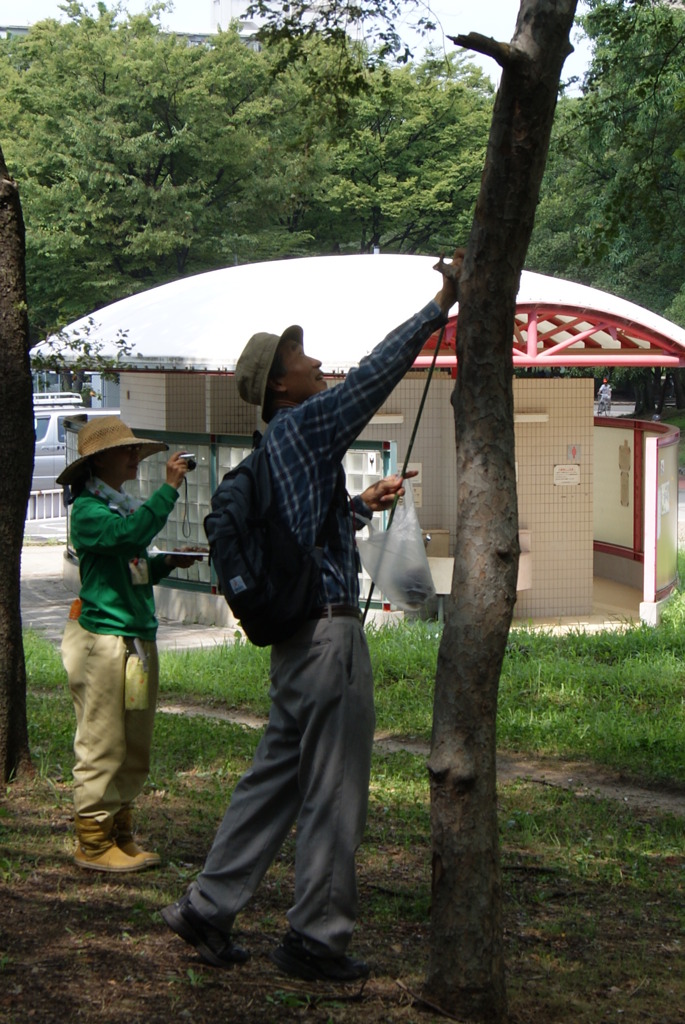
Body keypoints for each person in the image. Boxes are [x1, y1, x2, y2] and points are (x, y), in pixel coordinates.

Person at [162, 250, 463, 981]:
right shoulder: (304, 429)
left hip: (295, 644)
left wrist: (363, 506)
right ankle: (316, 939)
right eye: (302, 357)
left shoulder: (278, 451)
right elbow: (370, 379)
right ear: (279, 385)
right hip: (329, 642)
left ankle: (206, 907)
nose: (317, 360)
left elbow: (307, 537)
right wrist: (440, 305)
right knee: (332, 790)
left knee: (275, 779)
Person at [57, 416, 201, 873]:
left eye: (136, 449)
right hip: (102, 640)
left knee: (134, 742)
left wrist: (167, 565)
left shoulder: (117, 506)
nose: (136, 457)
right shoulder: (88, 511)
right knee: (103, 740)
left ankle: (120, 831)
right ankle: (93, 843)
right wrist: (170, 489)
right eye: (127, 451)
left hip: (135, 638)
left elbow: (131, 561)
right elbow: (130, 537)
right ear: (98, 462)